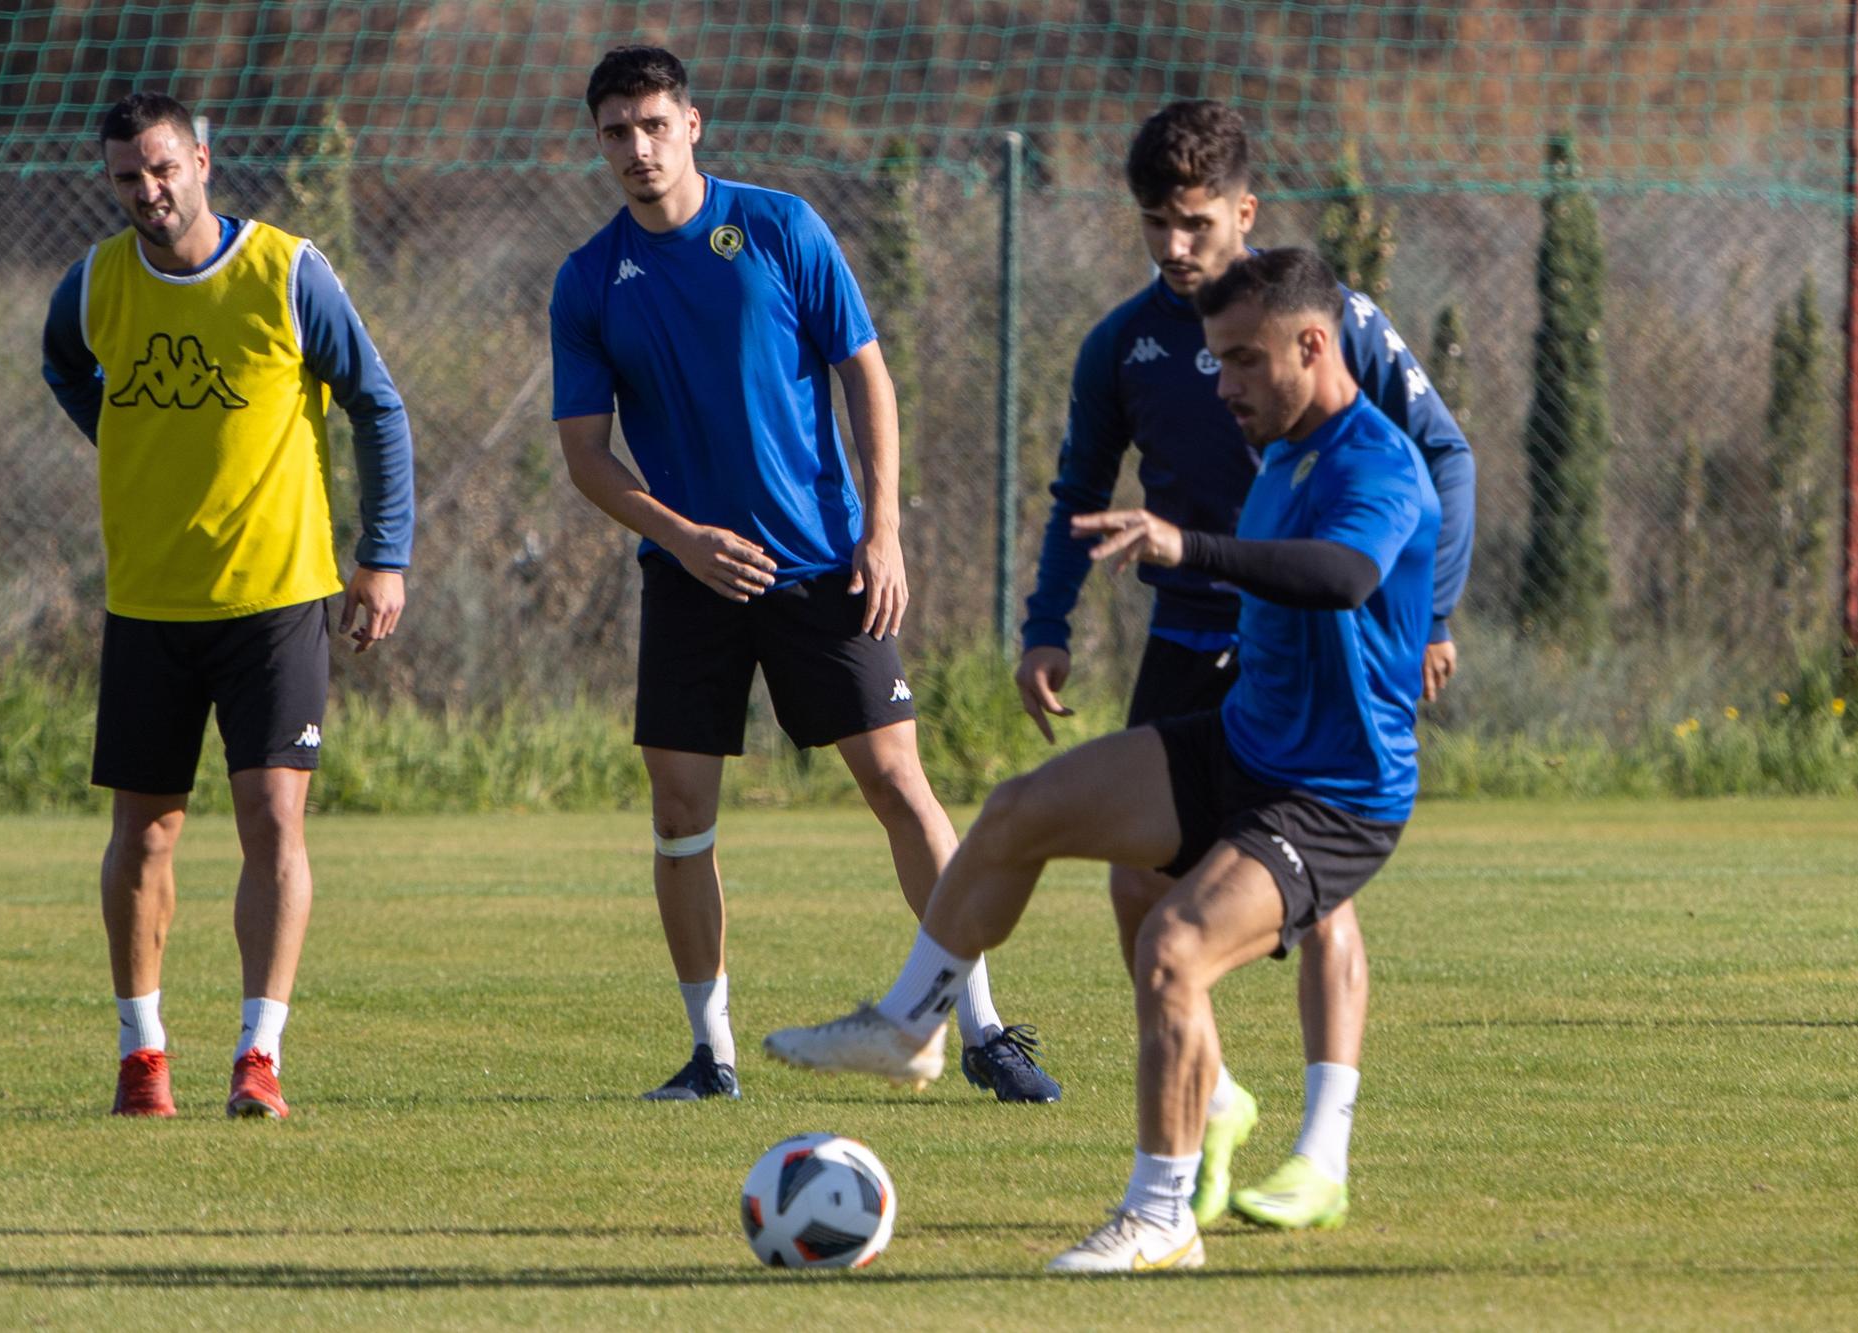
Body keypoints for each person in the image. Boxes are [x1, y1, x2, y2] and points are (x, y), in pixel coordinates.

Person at [767, 248, 1440, 1273]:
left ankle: (1161, 1215)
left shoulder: (1372, 460)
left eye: (1244, 360)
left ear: (1314, 344)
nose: (1224, 386)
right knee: (1020, 807)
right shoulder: (1286, 448)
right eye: (1215, 361)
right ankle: (911, 1023)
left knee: (1172, 947)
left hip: (1331, 797)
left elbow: (1343, 576)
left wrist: (1190, 548)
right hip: (1242, 744)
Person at [548, 46, 1057, 1104]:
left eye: (652, 123)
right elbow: (588, 456)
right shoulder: (589, 279)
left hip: (825, 563)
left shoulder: (778, 227)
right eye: (614, 131)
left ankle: (980, 1028)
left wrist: (883, 532)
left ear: (692, 124)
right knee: (680, 808)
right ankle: (709, 1053)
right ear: (596, 142)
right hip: (692, 578)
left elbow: (863, 374)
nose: (636, 148)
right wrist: (681, 536)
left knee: (897, 785)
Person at [1013, 100, 1474, 1228]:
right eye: (1151, 226)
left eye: (1191, 222)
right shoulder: (1122, 340)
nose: (1170, 246)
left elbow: (1439, 452)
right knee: (1139, 880)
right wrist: (1046, 619)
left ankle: (1319, 1150)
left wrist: (1427, 614)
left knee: (1313, 894)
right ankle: (1209, 1091)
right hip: (1186, 637)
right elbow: (1078, 487)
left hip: (1315, 633)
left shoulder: (1328, 316)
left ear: (1241, 213)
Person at [42, 92, 415, 1120]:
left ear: (201, 159)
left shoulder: (287, 272)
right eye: (127, 176)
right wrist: (128, 448)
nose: (148, 192)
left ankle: (259, 1054)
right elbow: (65, 368)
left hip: (276, 600)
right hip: (150, 605)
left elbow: (378, 405)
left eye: (163, 168)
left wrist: (383, 558)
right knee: (146, 833)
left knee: (270, 818)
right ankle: (141, 1054)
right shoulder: (96, 281)